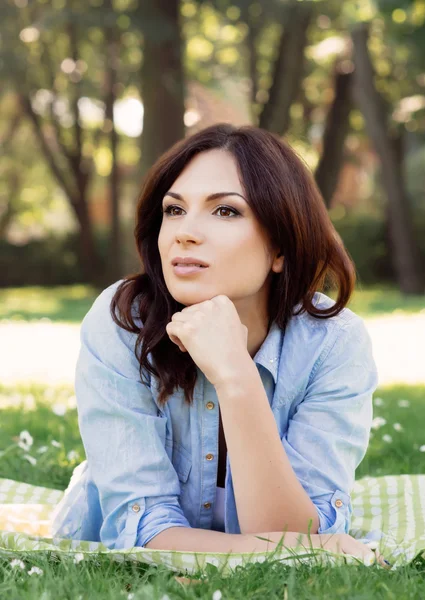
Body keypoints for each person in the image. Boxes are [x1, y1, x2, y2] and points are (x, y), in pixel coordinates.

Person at [49, 123, 390, 568]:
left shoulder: (334, 343)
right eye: (174, 210)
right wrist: (318, 549)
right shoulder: (121, 323)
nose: (184, 233)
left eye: (225, 212)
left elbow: (296, 533)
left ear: (281, 247)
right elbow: (144, 531)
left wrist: (234, 375)